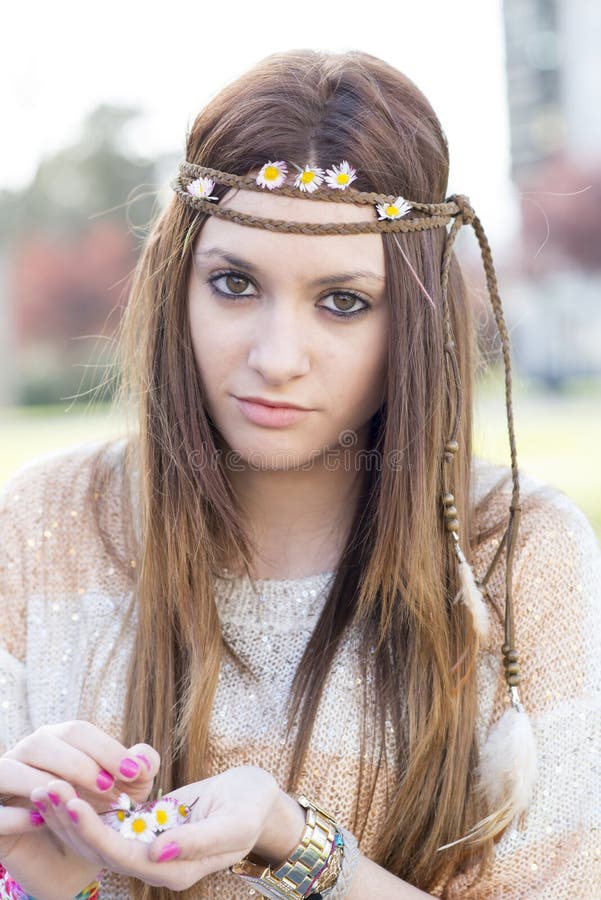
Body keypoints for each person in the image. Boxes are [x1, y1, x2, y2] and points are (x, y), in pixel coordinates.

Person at [0, 48, 599, 900]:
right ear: (179, 284)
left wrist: (296, 842)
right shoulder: (42, 524)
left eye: (342, 301)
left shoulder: (520, 555)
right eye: (234, 283)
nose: (276, 359)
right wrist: (42, 883)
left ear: (413, 323)